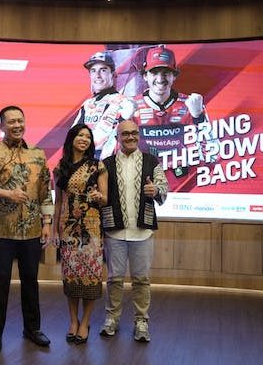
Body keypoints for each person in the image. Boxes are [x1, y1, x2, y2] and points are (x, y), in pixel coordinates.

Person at [0, 105, 54, 352]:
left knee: (30, 281)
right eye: (11, 122)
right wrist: (6, 193)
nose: (17, 125)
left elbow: (45, 191)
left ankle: (32, 329)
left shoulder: (38, 154)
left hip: (31, 230)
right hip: (0, 230)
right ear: (1, 125)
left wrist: (47, 222)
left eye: (20, 120)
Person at [99, 120, 168, 343]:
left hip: (142, 232)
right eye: (125, 134)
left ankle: (141, 321)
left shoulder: (151, 161)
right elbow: (100, 194)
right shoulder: (106, 164)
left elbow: (164, 188)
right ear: (117, 137)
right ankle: (112, 318)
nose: (130, 137)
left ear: (138, 135)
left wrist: (155, 190)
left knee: (141, 279)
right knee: (114, 279)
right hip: (115, 232)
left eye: (134, 133)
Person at [131, 45, 216, 189]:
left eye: (166, 72)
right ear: (145, 76)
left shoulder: (190, 104)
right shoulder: (131, 106)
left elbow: (212, 155)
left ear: (174, 76)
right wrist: (122, 121)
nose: (160, 78)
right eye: (154, 72)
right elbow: (112, 156)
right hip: (141, 186)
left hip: (183, 186)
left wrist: (199, 118)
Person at [53, 124, 108, 345]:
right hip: (68, 229)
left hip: (92, 229)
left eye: (88, 136)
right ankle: (73, 321)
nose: (84, 139)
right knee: (71, 276)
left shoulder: (97, 166)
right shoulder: (61, 167)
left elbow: (105, 199)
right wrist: (55, 229)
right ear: (71, 139)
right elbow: (59, 201)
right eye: (80, 135)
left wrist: (99, 196)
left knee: (91, 277)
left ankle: (85, 322)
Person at [72, 51, 135, 159]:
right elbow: (72, 136)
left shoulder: (125, 103)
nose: (97, 75)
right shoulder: (87, 104)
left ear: (113, 74)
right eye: (93, 71)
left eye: (103, 70)